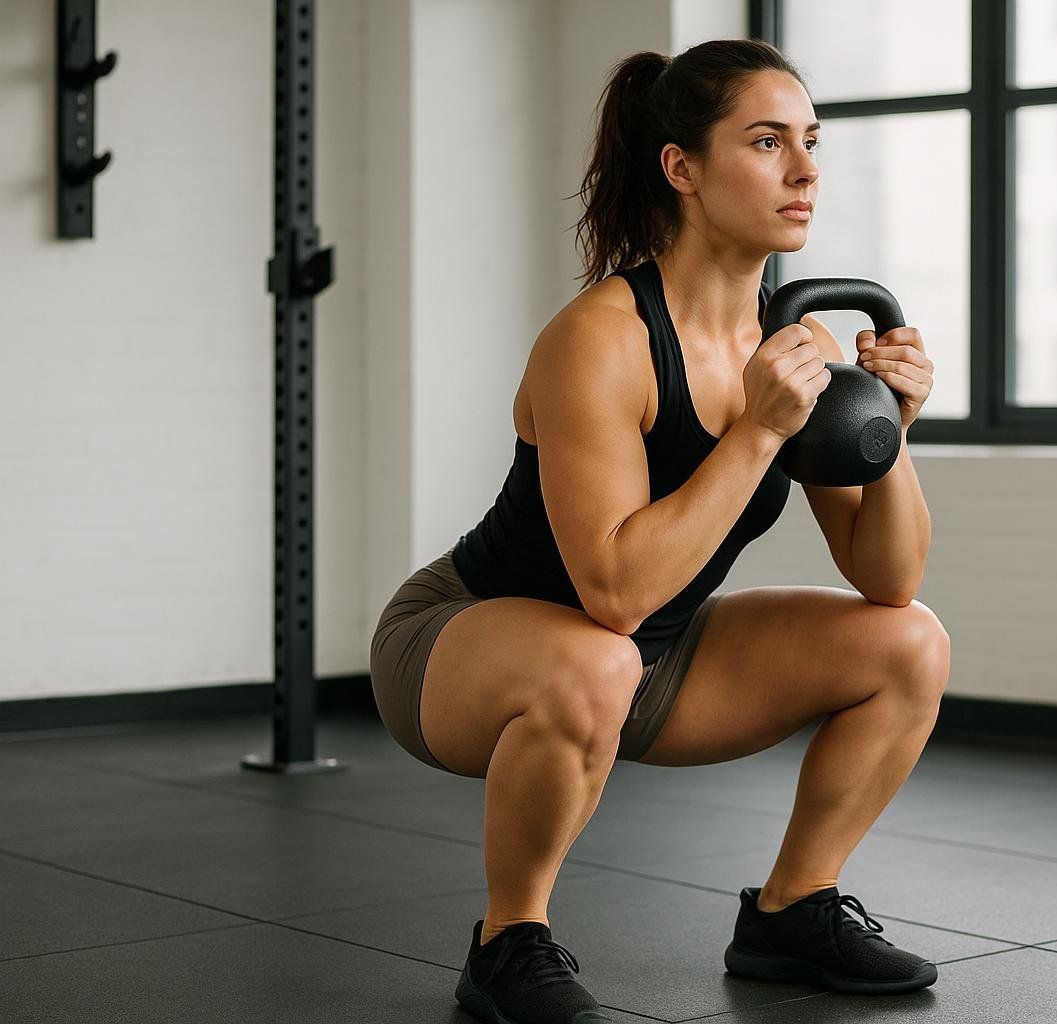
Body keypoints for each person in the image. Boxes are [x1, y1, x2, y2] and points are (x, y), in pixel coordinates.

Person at [369, 38, 949, 1024]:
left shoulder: (793, 338)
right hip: (462, 643)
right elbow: (614, 591)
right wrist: (759, 428)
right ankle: (509, 939)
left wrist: (890, 432)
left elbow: (885, 577)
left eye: (810, 141)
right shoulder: (599, 340)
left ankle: (791, 909)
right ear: (682, 168)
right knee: (595, 657)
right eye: (767, 142)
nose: (806, 169)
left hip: (654, 660)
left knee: (911, 644)